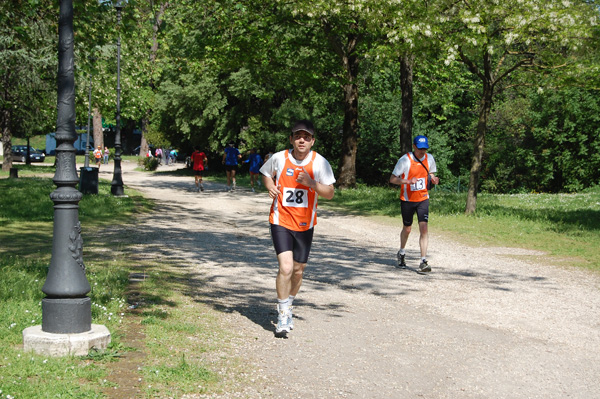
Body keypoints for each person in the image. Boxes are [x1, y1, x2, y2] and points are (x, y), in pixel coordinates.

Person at [260, 120, 336, 336]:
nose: (301, 140)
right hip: (280, 219)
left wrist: (312, 183)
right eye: (297, 136)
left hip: (305, 223)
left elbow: (329, 193)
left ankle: (289, 303)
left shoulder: (320, 162)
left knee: (298, 270)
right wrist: (271, 186)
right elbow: (265, 173)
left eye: (306, 137)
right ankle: (282, 313)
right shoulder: (279, 158)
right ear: (291, 139)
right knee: (285, 267)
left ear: (312, 141)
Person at [389, 135, 440, 273]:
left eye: (424, 149)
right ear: (414, 147)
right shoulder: (405, 160)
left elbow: (431, 174)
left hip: (423, 197)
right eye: (420, 149)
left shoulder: (429, 158)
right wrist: (407, 181)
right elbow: (393, 179)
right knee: (407, 228)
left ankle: (423, 261)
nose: (422, 152)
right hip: (407, 199)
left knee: (424, 228)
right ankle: (402, 252)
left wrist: (434, 179)